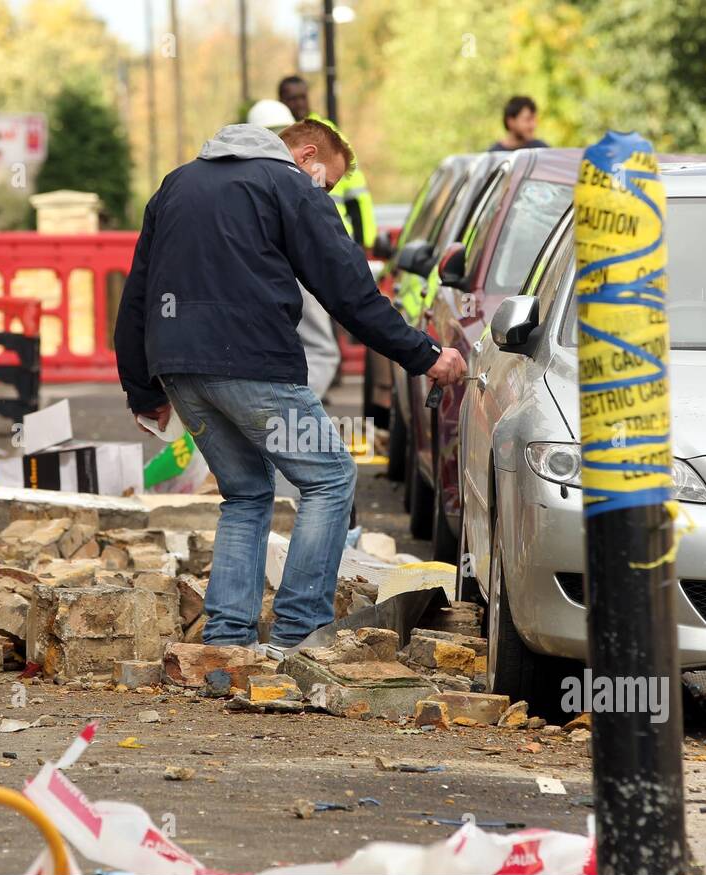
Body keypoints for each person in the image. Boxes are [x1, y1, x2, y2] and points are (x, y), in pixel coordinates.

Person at [116, 120, 466, 653]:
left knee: (247, 493)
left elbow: (137, 294)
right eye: (328, 181)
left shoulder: (177, 184)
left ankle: (227, 641)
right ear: (307, 155)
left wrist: (144, 389)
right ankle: (298, 634)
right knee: (329, 478)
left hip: (179, 366)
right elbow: (350, 293)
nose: (324, 192)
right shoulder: (289, 185)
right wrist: (425, 355)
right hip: (253, 362)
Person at [247, 98, 340, 399]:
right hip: (295, 267)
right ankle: (290, 420)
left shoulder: (238, 172)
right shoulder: (299, 181)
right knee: (320, 349)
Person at [278, 76, 376, 250]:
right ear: (281, 101)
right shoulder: (277, 135)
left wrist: (364, 243)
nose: (299, 103)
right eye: (292, 99)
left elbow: (357, 194)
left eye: (303, 97)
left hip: (336, 236)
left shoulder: (330, 136)